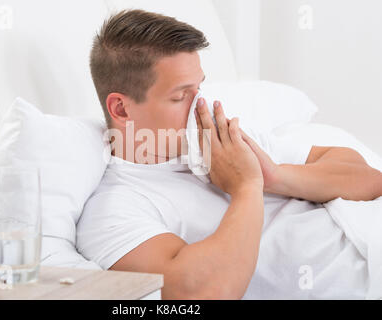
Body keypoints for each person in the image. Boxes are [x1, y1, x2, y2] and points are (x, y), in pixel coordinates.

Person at [77, 9, 382, 299]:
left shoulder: (225, 142)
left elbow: (369, 179)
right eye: (181, 95)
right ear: (121, 108)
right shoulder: (116, 209)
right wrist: (246, 188)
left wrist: (274, 175)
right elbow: (201, 294)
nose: (201, 105)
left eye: (200, 88)